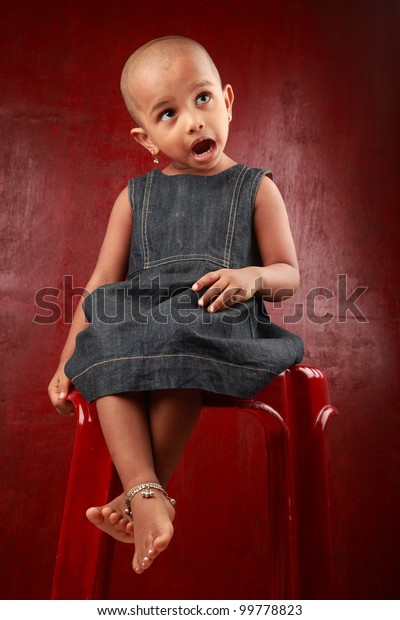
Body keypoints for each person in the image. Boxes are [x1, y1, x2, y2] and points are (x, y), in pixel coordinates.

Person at [48, 35, 304, 575]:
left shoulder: (256, 189)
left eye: (203, 99)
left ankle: (141, 492)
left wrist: (251, 278)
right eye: (169, 113)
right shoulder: (134, 197)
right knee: (103, 336)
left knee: (185, 331)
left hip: (215, 316)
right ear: (147, 138)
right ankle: (147, 494)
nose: (193, 121)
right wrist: (68, 354)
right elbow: (101, 283)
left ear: (228, 100)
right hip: (142, 315)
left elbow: (288, 276)